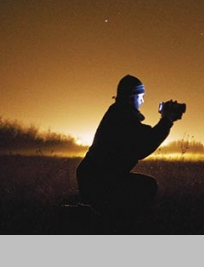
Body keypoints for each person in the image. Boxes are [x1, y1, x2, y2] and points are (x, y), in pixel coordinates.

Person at [76, 74, 182, 229]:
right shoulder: (121, 117)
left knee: (130, 196)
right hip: (99, 180)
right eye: (141, 96)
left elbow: (142, 137)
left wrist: (166, 121)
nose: (143, 101)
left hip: (95, 177)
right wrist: (166, 120)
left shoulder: (119, 113)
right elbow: (144, 144)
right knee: (146, 187)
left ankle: (111, 224)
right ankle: (119, 227)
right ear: (131, 97)